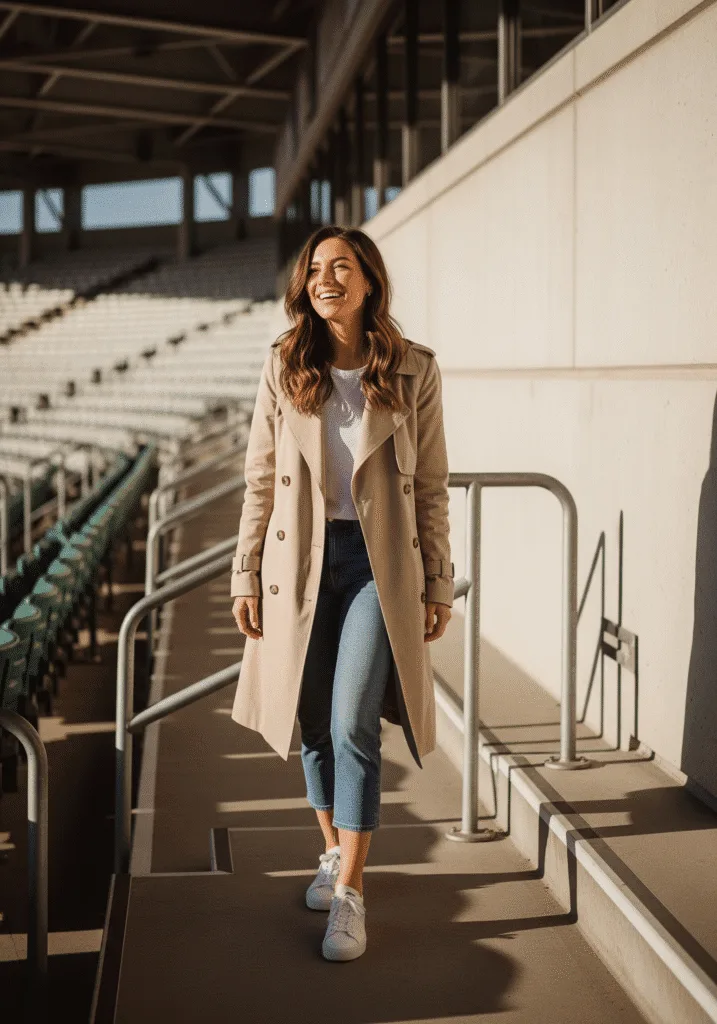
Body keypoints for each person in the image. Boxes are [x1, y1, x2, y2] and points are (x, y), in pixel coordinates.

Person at [231, 224, 454, 961]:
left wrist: (438, 582)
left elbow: (429, 487)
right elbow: (261, 478)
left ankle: (351, 893)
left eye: (341, 267)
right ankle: (331, 852)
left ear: (367, 282)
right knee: (312, 721)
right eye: (314, 268)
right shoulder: (284, 364)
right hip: (296, 564)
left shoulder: (413, 369)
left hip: (375, 568)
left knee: (354, 718)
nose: (325, 278)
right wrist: (244, 572)